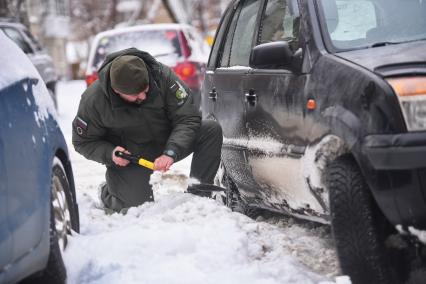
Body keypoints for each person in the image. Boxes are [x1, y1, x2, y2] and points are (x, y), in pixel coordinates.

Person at [72, 47, 222, 213]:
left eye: (145, 90)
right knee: (137, 208)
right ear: (117, 90)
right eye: (136, 95)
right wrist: (111, 153)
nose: (142, 97)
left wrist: (171, 151)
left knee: (209, 129)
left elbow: (187, 117)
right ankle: (108, 193)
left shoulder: (162, 77)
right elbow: (83, 142)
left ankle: (199, 196)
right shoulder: (93, 101)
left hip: (168, 143)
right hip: (132, 158)